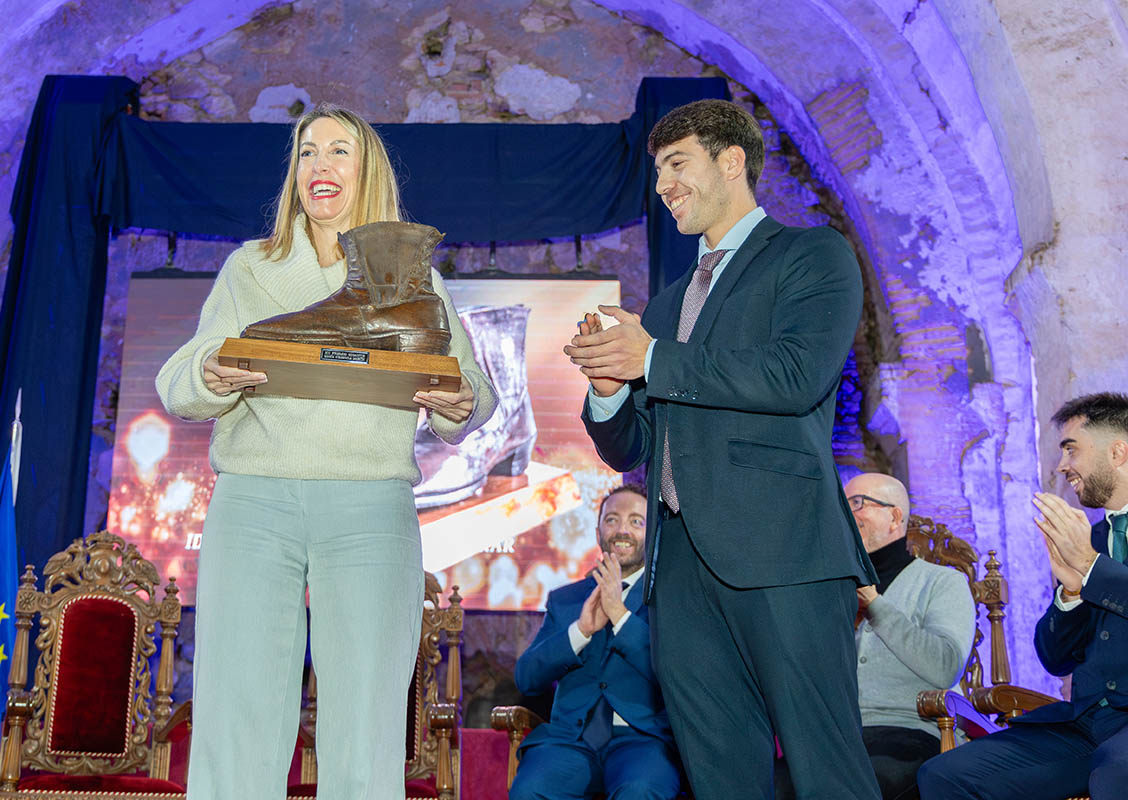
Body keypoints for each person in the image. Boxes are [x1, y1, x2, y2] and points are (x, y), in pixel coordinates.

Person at [155, 103, 496, 800]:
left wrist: (461, 402)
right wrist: (209, 372)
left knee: (368, 712)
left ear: (367, 171)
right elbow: (178, 381)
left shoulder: (412, 278)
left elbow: (474, 389)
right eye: (307, 151)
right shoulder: (249, 268)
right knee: (236, 703)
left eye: (339, 150)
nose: (320, 164)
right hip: (254, 501)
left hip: (371, 506)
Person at [564, 98, 881, 798]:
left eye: (677, 164)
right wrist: (610, 388)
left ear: (732, 161)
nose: (663, 185)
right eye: (657, 171)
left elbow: (796, 375)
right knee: (719, 777)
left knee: (826, 770)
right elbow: (632, 447)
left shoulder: (811, 255)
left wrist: (653, 359)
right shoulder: (665, 305)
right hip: (680, 570)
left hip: (786, 553)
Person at [918, 392, 1128, 799]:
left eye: (1071, 449)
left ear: (1117, 452)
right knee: (945, 775)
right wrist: (1071, 593)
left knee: (1116, 773)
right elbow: (1055, 659)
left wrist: (1091, 568)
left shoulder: (1086, 551)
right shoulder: (1090, 539)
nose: (1061, 465)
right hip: (1084, 726)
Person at [774, 472, 974, 800]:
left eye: (857, 503)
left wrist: (875, 606)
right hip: (832, 738)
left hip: (910, 734)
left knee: (854, 788)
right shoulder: (828, 591)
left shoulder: (942, 582)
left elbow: (945, 667)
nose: (846, 515)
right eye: (842, 506)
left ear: (894, 517)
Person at [510, 484, 682, 800]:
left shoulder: (669, 600)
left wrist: (620, 615)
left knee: (640, 790)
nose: (622, 530)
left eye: (636, 521)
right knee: (530, 789)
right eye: (612, 519)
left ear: (653, 533)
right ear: (598, 532)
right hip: (570, 742)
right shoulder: (565, 600)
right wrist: (579, 631)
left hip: (642, 742)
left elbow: (677, 675)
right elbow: (527, 678)